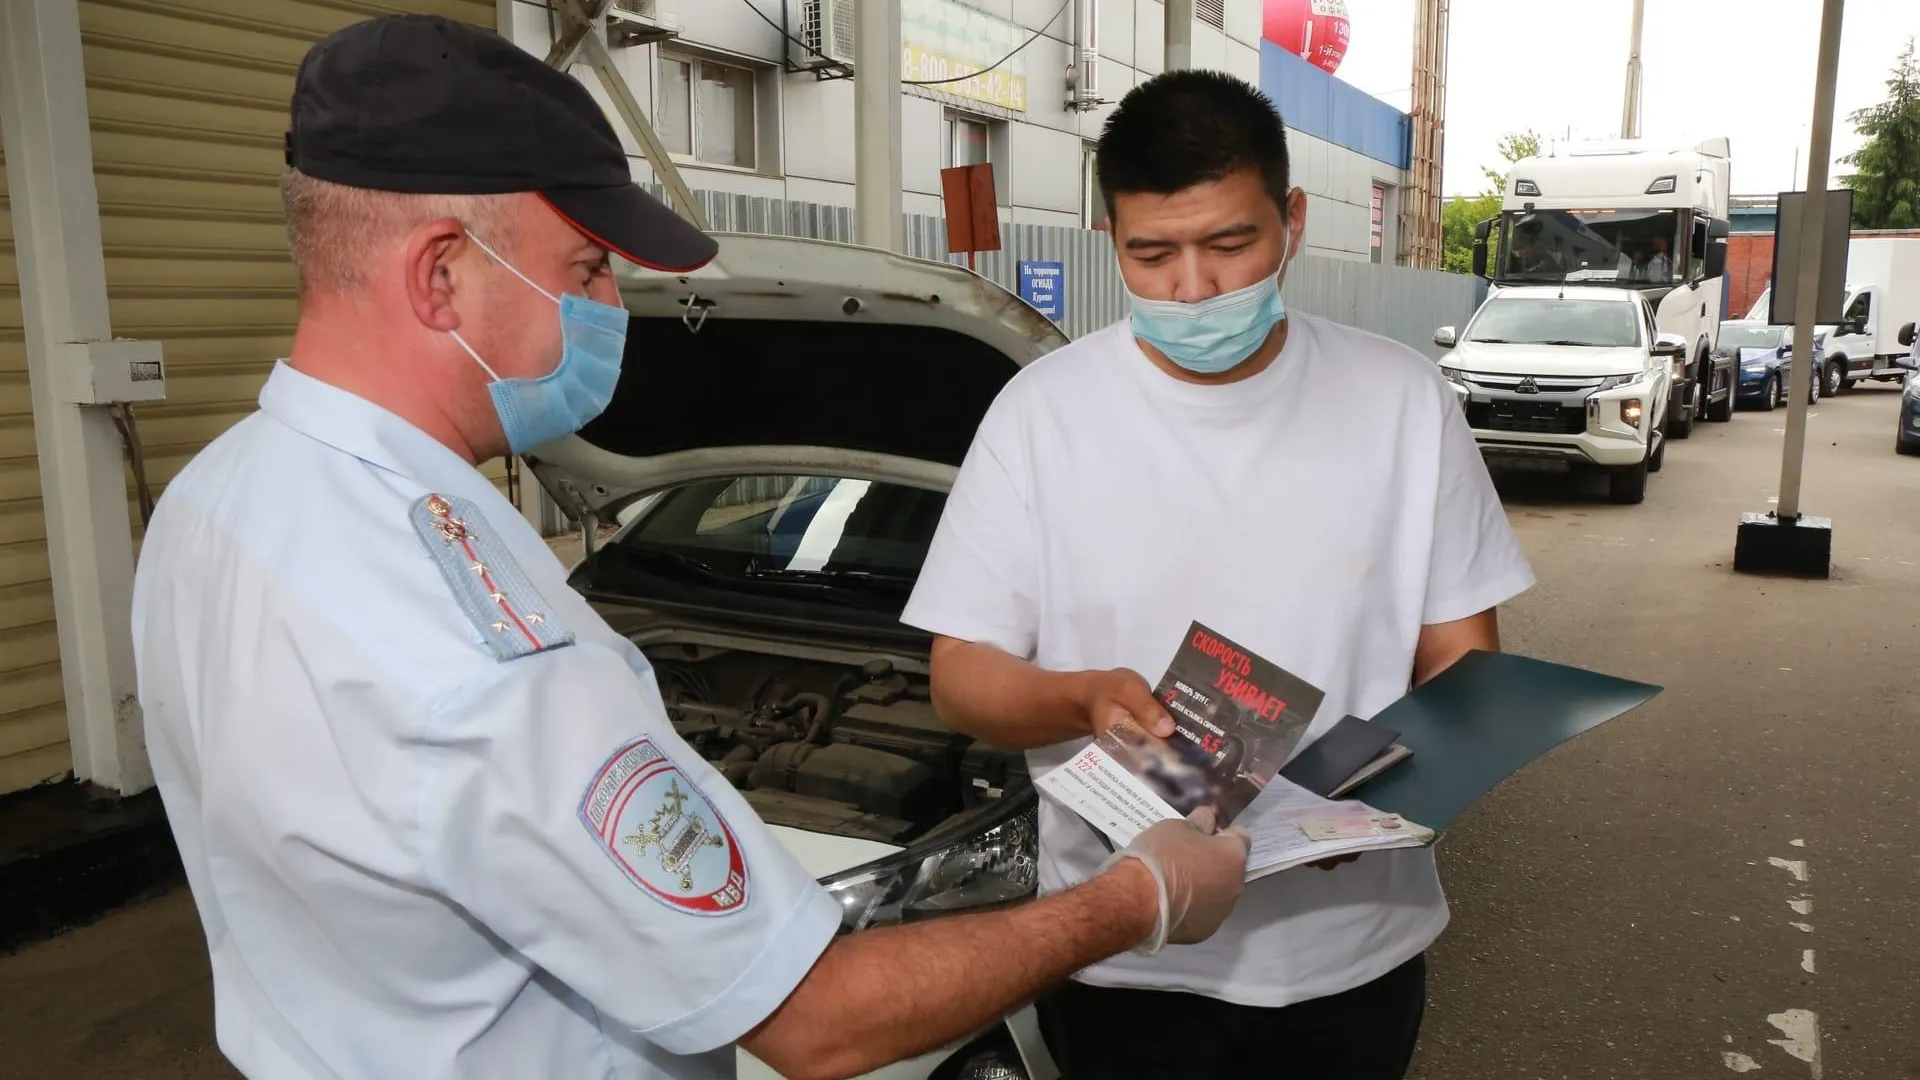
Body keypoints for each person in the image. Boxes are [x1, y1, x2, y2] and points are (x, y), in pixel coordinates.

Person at [128, 17, 1253, 1080]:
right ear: (439, 275)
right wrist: (1136, 898)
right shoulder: (491, 664)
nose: (614, 306)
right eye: (585, 269)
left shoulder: (217, 501)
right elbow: (818, 1018)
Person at [899, 70, 1537, 1080]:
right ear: (1110, 235)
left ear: (1292, 220)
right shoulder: (1040, 416)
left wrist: (1384, 797)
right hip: (1124, 944)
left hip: (1350, 946)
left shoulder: (1402, 403)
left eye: (1230, 245)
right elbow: (960, 676)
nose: (1193, 289)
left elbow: (1465, 664)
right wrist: (1083, 699)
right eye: (1152, 254)